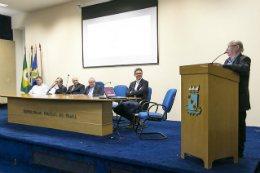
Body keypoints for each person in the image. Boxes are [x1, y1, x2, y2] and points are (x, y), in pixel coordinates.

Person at [214, 40, 251, 158]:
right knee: (227, 125)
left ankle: (239, 151)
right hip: (226, 99)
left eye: (228, 47)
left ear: (237, 47)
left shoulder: (245, 59)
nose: (226, 50)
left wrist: (223, 66)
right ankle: (227, 147)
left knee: (239, 125)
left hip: (239, 98)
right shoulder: (227, 61)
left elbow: (243, 69)